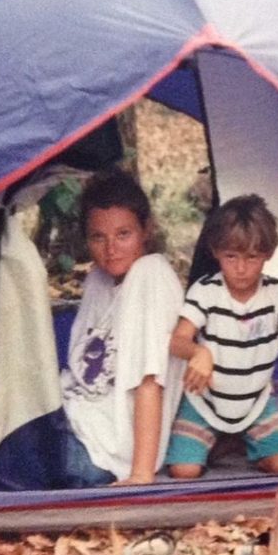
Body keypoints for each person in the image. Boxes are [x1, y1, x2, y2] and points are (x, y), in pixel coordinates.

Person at [166, 194, 278, 479]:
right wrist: (198, 352)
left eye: (252, 257)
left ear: (268, 253)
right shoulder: (206, 290)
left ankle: (236, 439)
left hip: (256, 405)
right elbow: (177, 340)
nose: (242, 268)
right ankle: (223, 437)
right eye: (231, 257)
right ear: (215, 251)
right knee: (184, 471)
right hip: (204, 404)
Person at [59, 170, 185, 486]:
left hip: (99, 451)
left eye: (123, 234)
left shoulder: (150, 275)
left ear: (147, 230)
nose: (111, 248)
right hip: (69, 420)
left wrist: (141, 475)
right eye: (98, 237)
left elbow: (150, 380)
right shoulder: (98, 281)